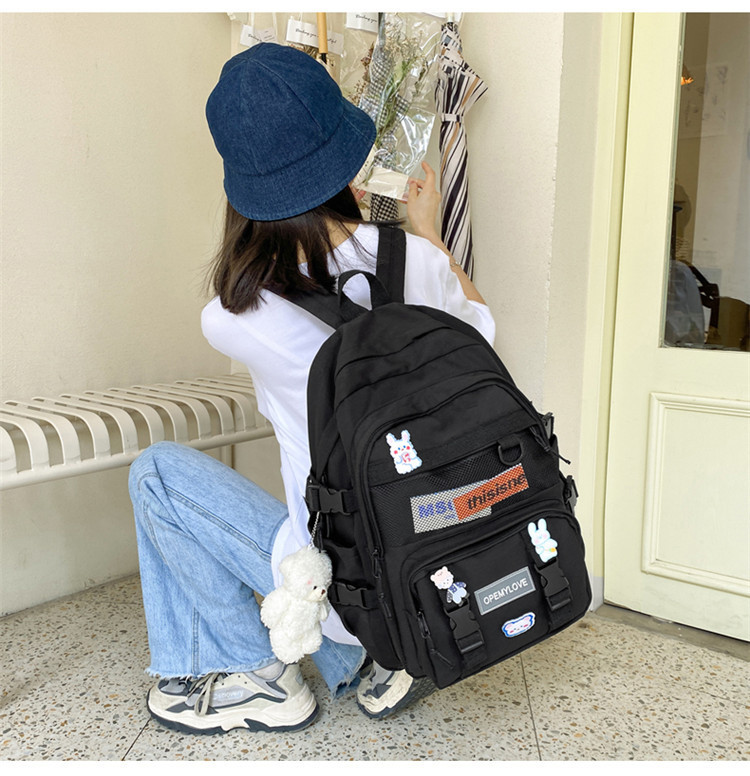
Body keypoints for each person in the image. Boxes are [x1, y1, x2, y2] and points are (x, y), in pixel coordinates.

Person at [128, 42, 496, 736]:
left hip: (341, 586)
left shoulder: (234, 317)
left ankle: (255, 675)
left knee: (156, 474)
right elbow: (483, 334)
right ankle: (375, 654)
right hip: (436, 558)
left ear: (244, 187)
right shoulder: (417, 259)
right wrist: (428, 236)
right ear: (344, 158)